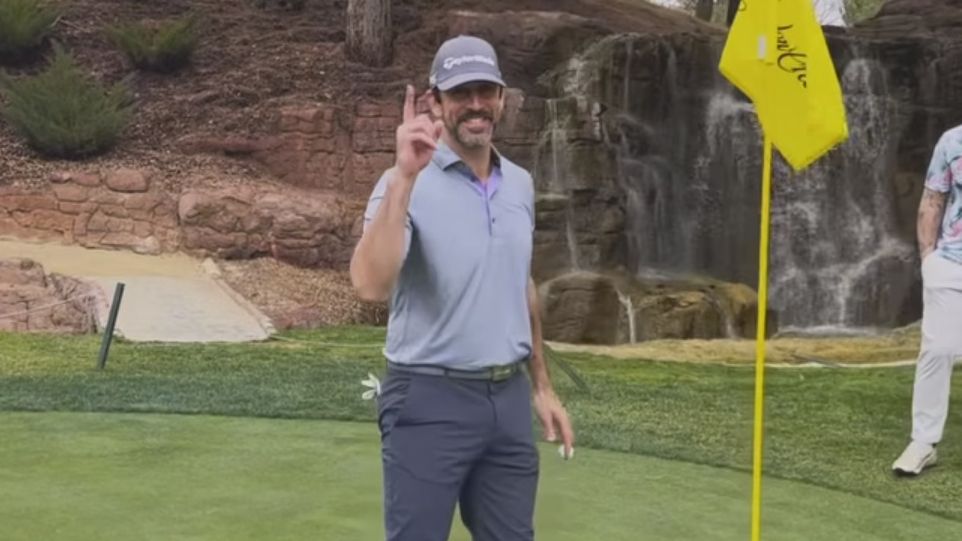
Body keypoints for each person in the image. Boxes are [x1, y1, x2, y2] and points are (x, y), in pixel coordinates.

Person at [349, 35, 575, 540]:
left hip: (508, 403)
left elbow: (521, 281)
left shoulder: (519, 183)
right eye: (460, 93)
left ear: (501, 98)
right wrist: (406, 177)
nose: (475, 104)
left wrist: (541, 386)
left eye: (485, 91)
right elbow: (369, 284)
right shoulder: (402, 182)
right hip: (429, 396)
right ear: (436, 102)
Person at [892, 126, 962, 476]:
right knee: (937, 350)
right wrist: (928, 258)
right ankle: (923, 442)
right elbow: (933, 199)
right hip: (950, 263)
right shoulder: (953, 140)